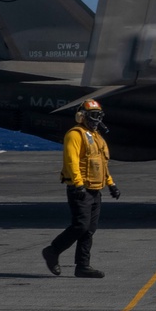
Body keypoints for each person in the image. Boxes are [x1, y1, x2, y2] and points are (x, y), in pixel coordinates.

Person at [41, 99, 120, 279]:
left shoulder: (97, 137)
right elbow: (72, 162)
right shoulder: (75, 135)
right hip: (80, 189)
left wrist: (111, 184)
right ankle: (52, 251)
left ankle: (82, 266)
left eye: (99, 116)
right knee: (80, 226)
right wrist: (78, 184)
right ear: (81, 116)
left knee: (89, 229)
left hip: (95, 189)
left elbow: (102, 163)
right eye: (93, 116)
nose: (96, 119)